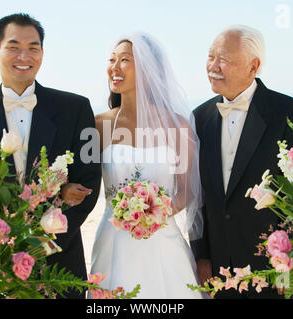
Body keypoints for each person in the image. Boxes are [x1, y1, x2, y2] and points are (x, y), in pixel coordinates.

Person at [0, 13, 101, 299]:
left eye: (33, 47)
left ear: (42, 53)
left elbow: (90, 180)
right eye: (13, 46)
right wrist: (0, 244)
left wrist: (43, 242)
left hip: (60, 261)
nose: (24, 56)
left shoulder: (77, 108)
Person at [191, 25, 293, 299]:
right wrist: (201, 255)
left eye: (223, 59)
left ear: (253, 66)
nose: (213, 66)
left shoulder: (290, 113)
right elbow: (197, 197)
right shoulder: (199, 117)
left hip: (273, 270)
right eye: (210, 57)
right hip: (218, 272)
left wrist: (291, 262)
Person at [84, 32, 205, 299]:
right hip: (112, 240)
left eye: (124, 60)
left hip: (162, 240)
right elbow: (84, 184)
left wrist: (154, 215)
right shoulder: (98, 125)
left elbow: (186, 190)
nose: (114, 68)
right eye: (112, 59)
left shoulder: (178, 126)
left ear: (149, 70)